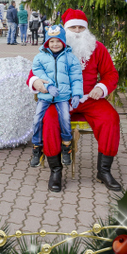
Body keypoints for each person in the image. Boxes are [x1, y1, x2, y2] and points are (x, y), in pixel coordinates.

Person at [27, 9, 121, 193]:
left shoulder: (97, 48)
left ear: (86, 29)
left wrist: (100, 88)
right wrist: (36, 82)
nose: (77, 31)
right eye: (73, 27)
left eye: (80, 27)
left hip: (89, 98)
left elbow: (111, 74)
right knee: (50, 121)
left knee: (111, 119)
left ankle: (104, 171)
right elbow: (33, 73)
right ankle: (56, 170)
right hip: (59, 99)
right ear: (65, 29)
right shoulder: (52, 48)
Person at [29, 25, 83, 178]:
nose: (55, 44)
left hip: (63, 97)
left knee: (65, 118)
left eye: (58, 41)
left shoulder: (70, 57)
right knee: (37, 119)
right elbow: (37, 73)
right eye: (51, 41)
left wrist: (77, 94)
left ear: (63, 42)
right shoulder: (40, 57)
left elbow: (76, 77)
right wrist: (48, 85)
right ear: (47, 42)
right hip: (45, 96)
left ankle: (66, 146)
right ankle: (37, 147)